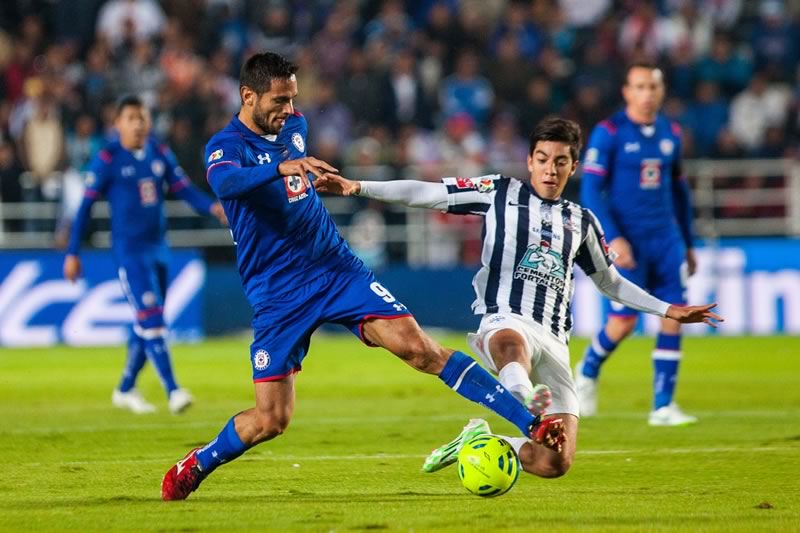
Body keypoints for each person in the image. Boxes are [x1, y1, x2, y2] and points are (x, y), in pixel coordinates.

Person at [160, 52, 563, 501]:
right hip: (277, 293)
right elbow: (226, 184)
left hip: (335, 269)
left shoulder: (293, 127)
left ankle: (530, 421)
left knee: (420, 350)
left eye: (293, 99)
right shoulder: (225, 146)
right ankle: (198, 461)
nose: (290, 111)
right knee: (271, 420)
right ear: (247, 96)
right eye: (279, 101)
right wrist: (280, 167)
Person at [316, 117, 721, 479]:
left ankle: (476, 442)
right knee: (511, 343)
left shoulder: (581, 221)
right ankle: (522, 398)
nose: (550, 168)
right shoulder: (498, 192)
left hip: (555, 339)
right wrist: (357, 186)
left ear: (572, 167)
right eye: (542, 158)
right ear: (529, 161)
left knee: (554, 463)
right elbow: (426, 192)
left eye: (560, 161)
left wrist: (669, 310)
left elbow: (611, 282)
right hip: (504, 318)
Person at [64, 95, 227, 414]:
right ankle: (173, 389)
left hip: (159, 250)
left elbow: (183, 188)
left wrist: (212, 206)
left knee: (148, 323)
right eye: (131, 118)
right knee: (151, 319)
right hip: (130, 253)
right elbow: (84, 208)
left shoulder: (159, 152)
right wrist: (73, 252)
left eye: (142, 118)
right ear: (117, 124)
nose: (138, 124)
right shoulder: (108, 158)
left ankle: (125, 388)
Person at [576, 63, 699, 426]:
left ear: (661, 92)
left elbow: (680, 192)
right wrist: (611, 237)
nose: (647, 94)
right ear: (627, 92)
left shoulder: (671, 133)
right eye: (640, 87)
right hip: (627, 240)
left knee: (676, 314)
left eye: (653, 87)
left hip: (666, 239)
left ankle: (663, 407)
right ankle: (588, 368)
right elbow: (590, 190)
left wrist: (688, 244)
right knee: (624, 322)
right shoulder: (609, 133)